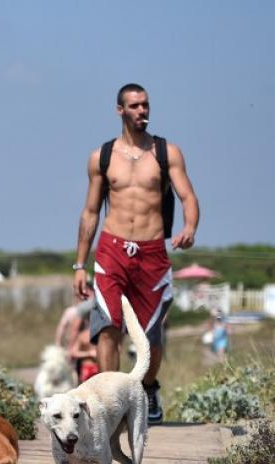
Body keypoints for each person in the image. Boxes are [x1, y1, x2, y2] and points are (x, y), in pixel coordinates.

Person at [72, 83, 201, 424]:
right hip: (112, 249)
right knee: (108, 327)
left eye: (145, 105)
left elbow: (187, 195)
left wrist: (189, 227)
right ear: (120, 110)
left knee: (150, 335)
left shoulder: (165, 152)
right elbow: (89, 212)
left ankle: (147, 387)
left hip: (152, 253)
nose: (142, 111)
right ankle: (108, 402)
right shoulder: (101, 157)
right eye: (135, 106)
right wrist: (79, 265)